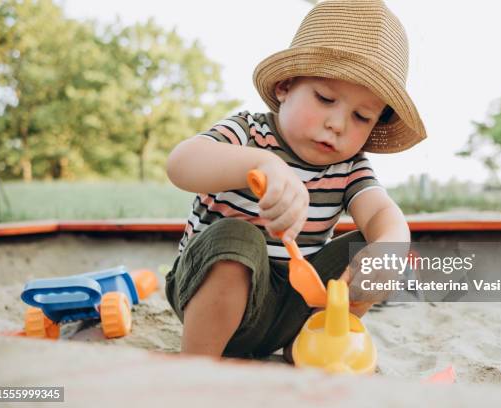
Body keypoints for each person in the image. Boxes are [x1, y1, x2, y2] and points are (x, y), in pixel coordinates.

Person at [164, 0, 426, 362]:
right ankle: (197, 363)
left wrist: (391, 245)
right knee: (238, 234)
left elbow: (382, 211)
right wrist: (261, 164)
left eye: (361, 116)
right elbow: (180, 164)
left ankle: (313, 347)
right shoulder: (248, 132)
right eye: (325, 98)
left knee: (371, 249)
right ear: (286, 86)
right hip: (208, 295)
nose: (337, 123)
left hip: (293, 307)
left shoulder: (349, 166)